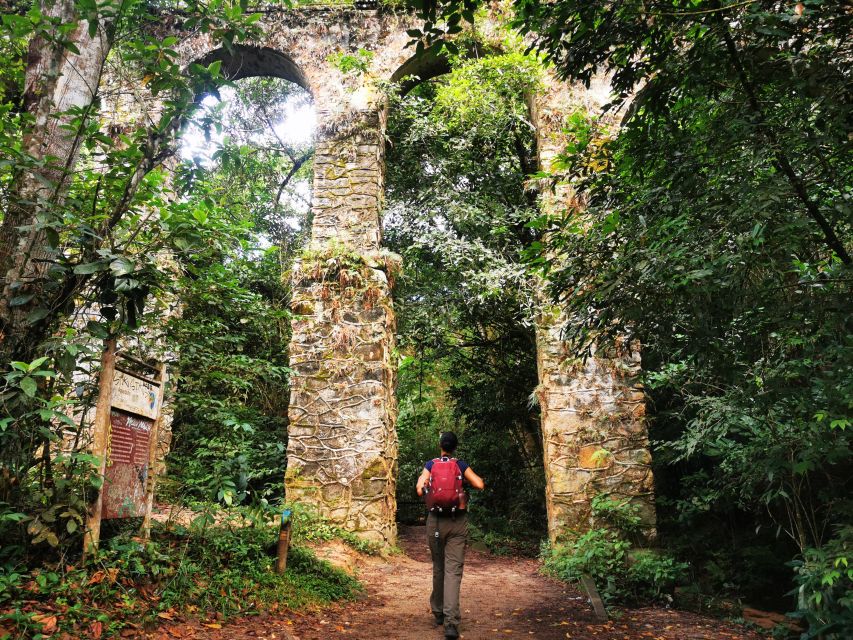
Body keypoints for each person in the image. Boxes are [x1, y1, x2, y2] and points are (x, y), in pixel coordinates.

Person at [416, 431, 485, 639]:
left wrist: (428, 487)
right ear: (455, 447)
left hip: (435, 522)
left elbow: (420, 489)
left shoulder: (431, 464)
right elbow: (479, 484)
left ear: (440, 445)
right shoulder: (460, 465)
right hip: (457, 522)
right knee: (453, 571)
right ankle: (451, 623)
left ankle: (438, 612)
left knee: (439, 567)